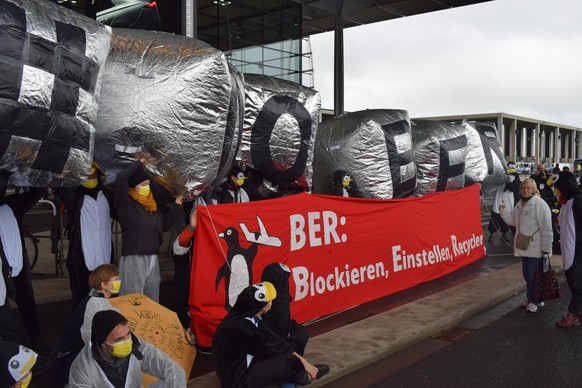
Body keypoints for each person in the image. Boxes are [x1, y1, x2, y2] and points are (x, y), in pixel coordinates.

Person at [212, 281, 329, 387]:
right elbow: (270, 350)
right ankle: (306, 378)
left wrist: (305, 362)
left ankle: (304, 371)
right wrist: (300, 363)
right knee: (291, 362)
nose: (270, 304)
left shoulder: (249, 317)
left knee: (293, 344)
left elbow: (274, 340)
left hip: (251, 362)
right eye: (269, 301)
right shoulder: (241, 328)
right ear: (259, 305)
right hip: (239, 379)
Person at [114, 159, 182, 302]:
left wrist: (176, 207)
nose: (146, 187)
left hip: (152, 256)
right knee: (132, 298)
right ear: (133, 187)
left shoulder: (152, 206)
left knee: (152, 298)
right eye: (143, 185)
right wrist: (139, 163)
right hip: (134, 256)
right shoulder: (126, 204)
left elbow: (164, 226)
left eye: (148, 185)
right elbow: (122, 178)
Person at [0, 173, 53, 355]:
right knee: (3, 315)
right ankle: (9, 352)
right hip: (1, 272)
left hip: (19, 265)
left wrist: (29, 173)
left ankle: (36, 339)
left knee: (28, 304)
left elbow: (36, 192)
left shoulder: (13, 204)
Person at [69, 309, 186, 387]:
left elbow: (171, 368)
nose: (127, 342)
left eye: (128, 334)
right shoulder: (81, 368)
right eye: (118, 339)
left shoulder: (136, 345)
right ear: (102, 342)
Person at [55, 163, 114, 309]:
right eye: (87, 175)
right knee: (82, 301)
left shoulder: (106, 194)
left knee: (108, 299)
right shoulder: (76, 197)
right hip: (82, 257)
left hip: (105, 257)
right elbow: (60, 187)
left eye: (93, 175)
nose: (90, 178)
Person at [55, 264, 120, 386]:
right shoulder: (95, 305)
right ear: (103, 284)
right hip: (74, 355)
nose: (119, 282)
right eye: (115, 280)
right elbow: (86, 337)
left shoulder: (95, 297)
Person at [499, 178, 553, 313]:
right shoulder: (519, 204)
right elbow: (513, 221)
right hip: (524, 244)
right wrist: (504, 211)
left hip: (537, 247)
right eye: (523, 188)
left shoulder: (539, 204)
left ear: (534, 190)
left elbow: (546, 228)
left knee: (534, 276)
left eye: (529, 188)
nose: (525, 190)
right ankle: (535, 298)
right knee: (527, 275)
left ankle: (534, 300)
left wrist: (546, 248)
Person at [551, 172, 582, 327]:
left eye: (557, 187)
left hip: (577, 250)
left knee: (577, 283)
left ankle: (574, 313)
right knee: (574, 281)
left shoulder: (578, 200)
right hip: (569, 249)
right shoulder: (566, 202)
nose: (555, 190)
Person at [261, 262, 309, 356]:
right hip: (268, 348)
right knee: (300, 335)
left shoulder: (260, 294)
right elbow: (280, 336)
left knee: (296, 327)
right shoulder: (280, 302)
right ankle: (296, 367)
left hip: (259, 340)